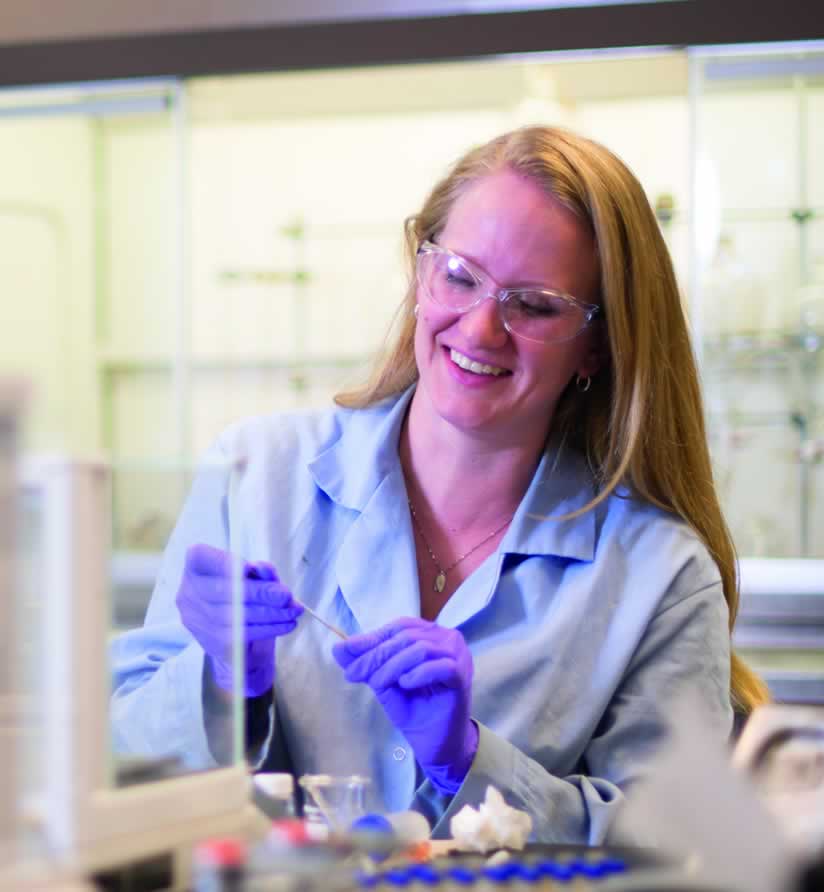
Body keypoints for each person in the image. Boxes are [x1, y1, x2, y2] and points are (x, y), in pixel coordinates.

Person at [110, 125, 769, 844]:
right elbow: (119, 765)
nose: (482, 329)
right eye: (460, 275)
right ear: (421, 273)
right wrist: (224, 679)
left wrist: (467, 759)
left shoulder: (660, 575)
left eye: (536, 304)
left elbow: (679, 850)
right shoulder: (253, 477)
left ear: (597, 346)